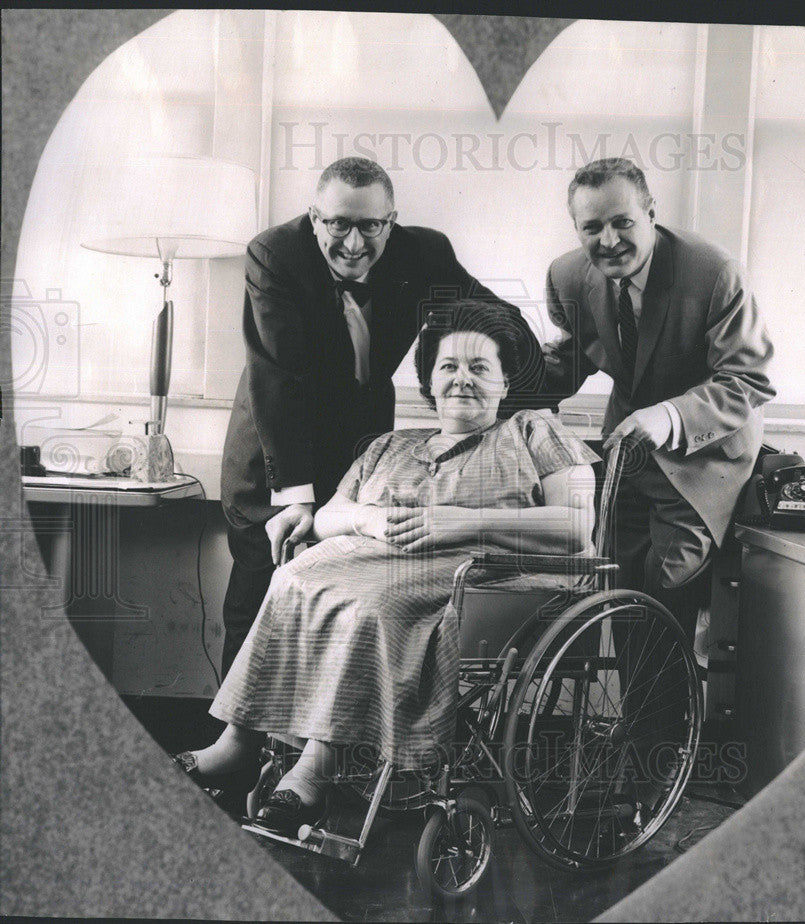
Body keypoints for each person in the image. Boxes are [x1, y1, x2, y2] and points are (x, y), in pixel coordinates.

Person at [177, 305, 598, 836]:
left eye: (479, 367)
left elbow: (578, 526)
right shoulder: (392, 445)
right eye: (448, 366)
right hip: (378, 562)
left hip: (488, 579)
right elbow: (329, 516)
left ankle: (315, 769)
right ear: (428, 379)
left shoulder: (535, 431)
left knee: (377, 601)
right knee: (292, 577)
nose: (461, 379)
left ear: (506, 378)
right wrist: (367, 519)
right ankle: (238, 744)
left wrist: (460, 521)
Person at [220, 157, 543, 677]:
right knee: (262, 596)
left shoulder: (425, 253)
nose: (353, 243)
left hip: (365, 457)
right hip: (276, 455)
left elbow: (497, 317)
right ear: (312, 217)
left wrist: (512, 393)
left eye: (370, 226)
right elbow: (280, 377)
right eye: (337, 224)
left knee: (347, 605)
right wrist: (297, 496)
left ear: (391, 220)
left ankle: (324, 752)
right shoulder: (274, 253)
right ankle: (234, 749)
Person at [541, 157, 774, 639]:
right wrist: (487, 379)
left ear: (650, 212)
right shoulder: (567, 277)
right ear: (576, 228)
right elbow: (569, 362)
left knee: (662, 587)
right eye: (592, 227)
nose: (608, 241)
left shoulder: (714, 271)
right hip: (626, 456)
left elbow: (747, 380)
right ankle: (641, 714)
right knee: (615, 591)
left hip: (702, 462)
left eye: (622, 222)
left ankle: (660, 716)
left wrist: (669, 417)